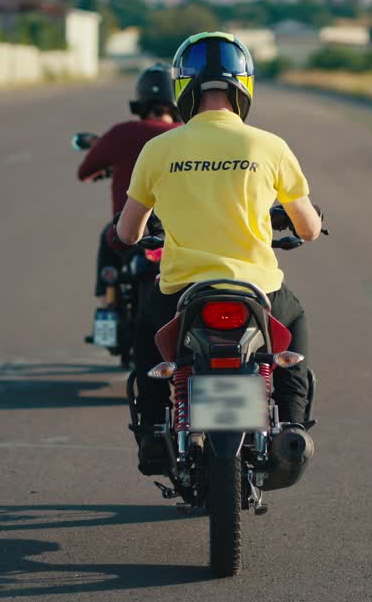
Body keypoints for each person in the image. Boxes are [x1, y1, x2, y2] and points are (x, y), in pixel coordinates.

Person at [115, 32, 323, 470]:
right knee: (295, 323)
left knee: (146, 342)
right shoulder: (269, 146)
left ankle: (154, 428)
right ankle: (294, 427)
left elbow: (129, 232)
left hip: (181, 290)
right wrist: (308, 224)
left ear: (184, 88)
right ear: (243, 87)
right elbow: (307, 226)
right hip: (257, 289)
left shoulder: (159, 149)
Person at [77, 65, 181, 306]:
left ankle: (106, 309)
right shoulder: (188, 135)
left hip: (129, 236)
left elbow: (84, 172)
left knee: (108, 237)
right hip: (179, 238)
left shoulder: (120, 133)